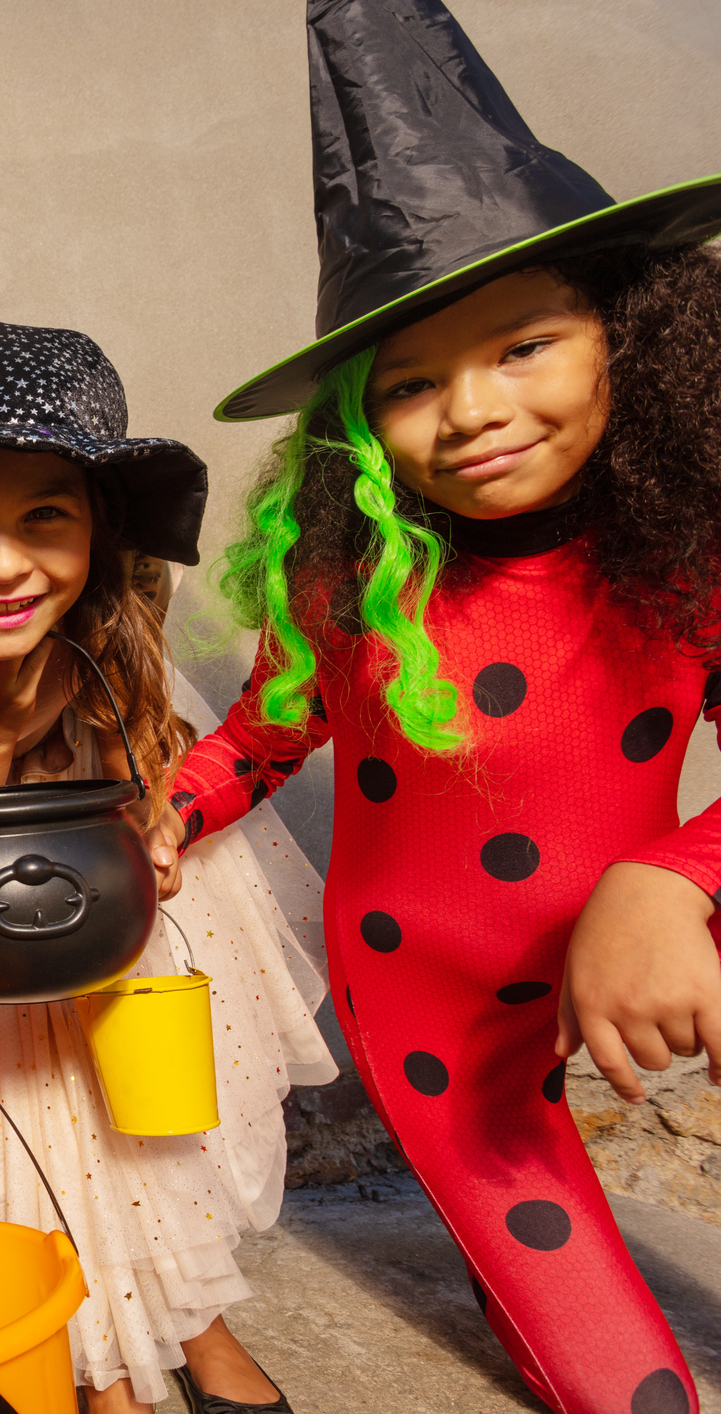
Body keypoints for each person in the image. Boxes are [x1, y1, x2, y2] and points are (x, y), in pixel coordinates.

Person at [177, 4, 721, 1411]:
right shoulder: (344, 583)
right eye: (408, 382)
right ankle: (513, 1253)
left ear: (631, 338)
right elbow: (259, 739)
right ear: (357, 425)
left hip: (660, 941)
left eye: (522, 346)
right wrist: (159, 814)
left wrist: (670, 876)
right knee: (633, 1389)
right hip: (432, 999)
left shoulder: (687, 553)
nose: (468, 409)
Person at [0, 303, 334, 1414]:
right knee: (24, 1148)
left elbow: (154, 784)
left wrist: (159, 831)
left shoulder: (113, 641)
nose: (4, 566)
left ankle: (185, 1313)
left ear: (96, 529)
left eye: (44, 519)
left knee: (140, 1135)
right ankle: (89, 1351)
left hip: (100, 944)